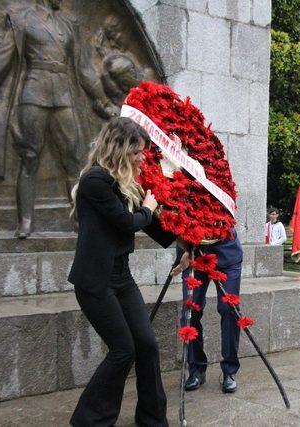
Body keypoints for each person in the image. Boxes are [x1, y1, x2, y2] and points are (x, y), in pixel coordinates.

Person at [0, 0, 117, 238]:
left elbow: (84, 69)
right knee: (29, 158)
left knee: (74, 159)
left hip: (63, 96)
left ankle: (81, 218)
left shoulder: (67, 24)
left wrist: (103, 102)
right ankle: (25, 222)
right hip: (33, 93)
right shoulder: (23, 20)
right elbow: (2, 59)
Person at [67, 117, 181, 427]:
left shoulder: (125, 183)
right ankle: (89, 420)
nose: (142, 158)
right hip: (95, 281)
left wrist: (187, 245)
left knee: (147, 344)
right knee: (123, 350)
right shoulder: (94, 181)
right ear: (120, 149)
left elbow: (156, 228)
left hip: (121, 277)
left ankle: (152, 419)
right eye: (137, 153)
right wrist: (147, 207)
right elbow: (127, 222)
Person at [172, 231, 244, 394]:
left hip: (226, 254)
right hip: (192, 254)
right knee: (190, 312)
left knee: (229, 309)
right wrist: (185, 248)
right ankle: (196, 369)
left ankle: (230, 370)